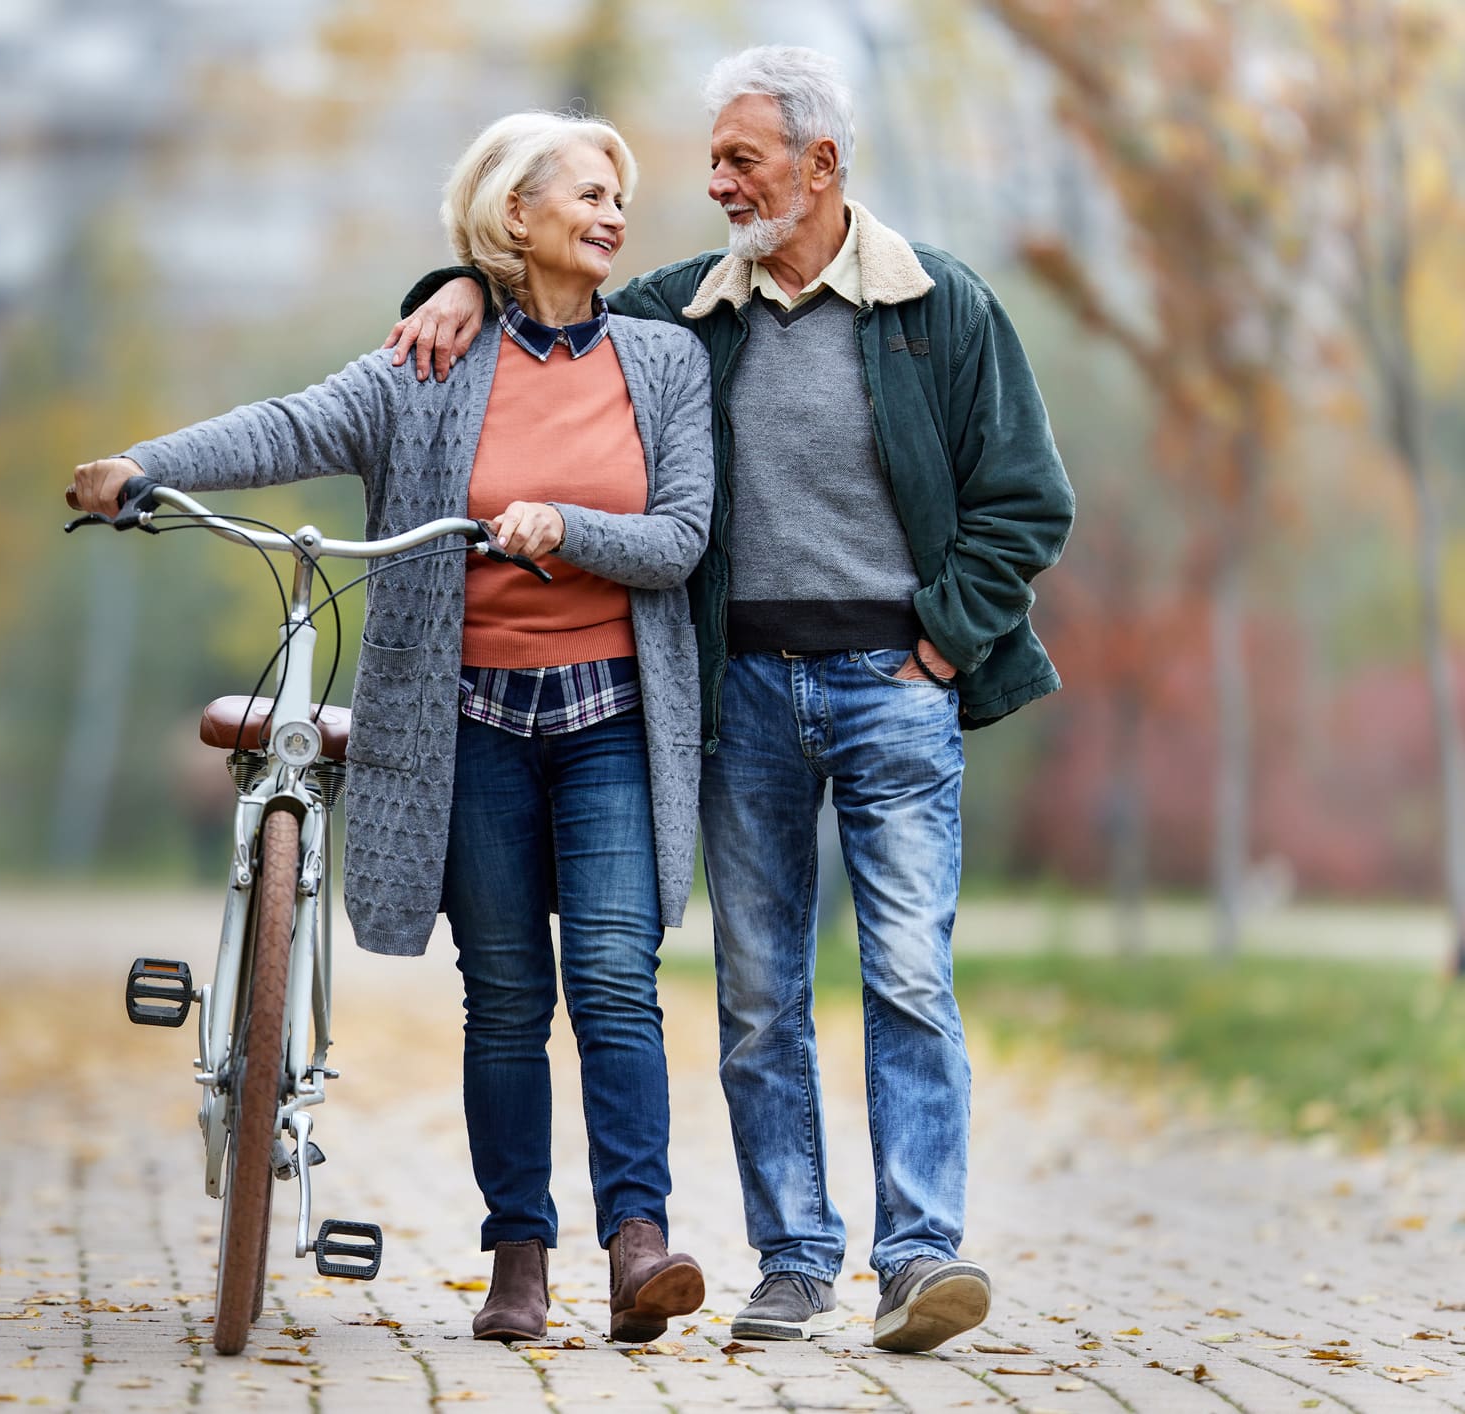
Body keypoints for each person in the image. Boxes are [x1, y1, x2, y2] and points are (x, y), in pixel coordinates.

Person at [390, 46, 1075, 1354]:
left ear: (821, 165)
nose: (714, 182)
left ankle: (920, 1254)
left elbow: (1028, 498)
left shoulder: (940, 307)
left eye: (739, 158)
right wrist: (454, 291)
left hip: (895, 687)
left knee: (911, 975)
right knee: (760, 991)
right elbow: (550, 285)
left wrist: (941, 642)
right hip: (739, 692)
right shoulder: (682, 313)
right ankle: (797, 1258)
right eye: (711, 158)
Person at [68, 112, 716, 1345]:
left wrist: (564, 530)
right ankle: (515, 1261)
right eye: (587, 191)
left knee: (615, 984)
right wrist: (138, 464)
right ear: (511, 217)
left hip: (612, 722)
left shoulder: (663, 362)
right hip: (464, 722)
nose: (613, 211)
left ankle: (639, 1243)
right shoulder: (429, 363)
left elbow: (680, 540)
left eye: (617, 194)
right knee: (508, 994)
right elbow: (286, 426)